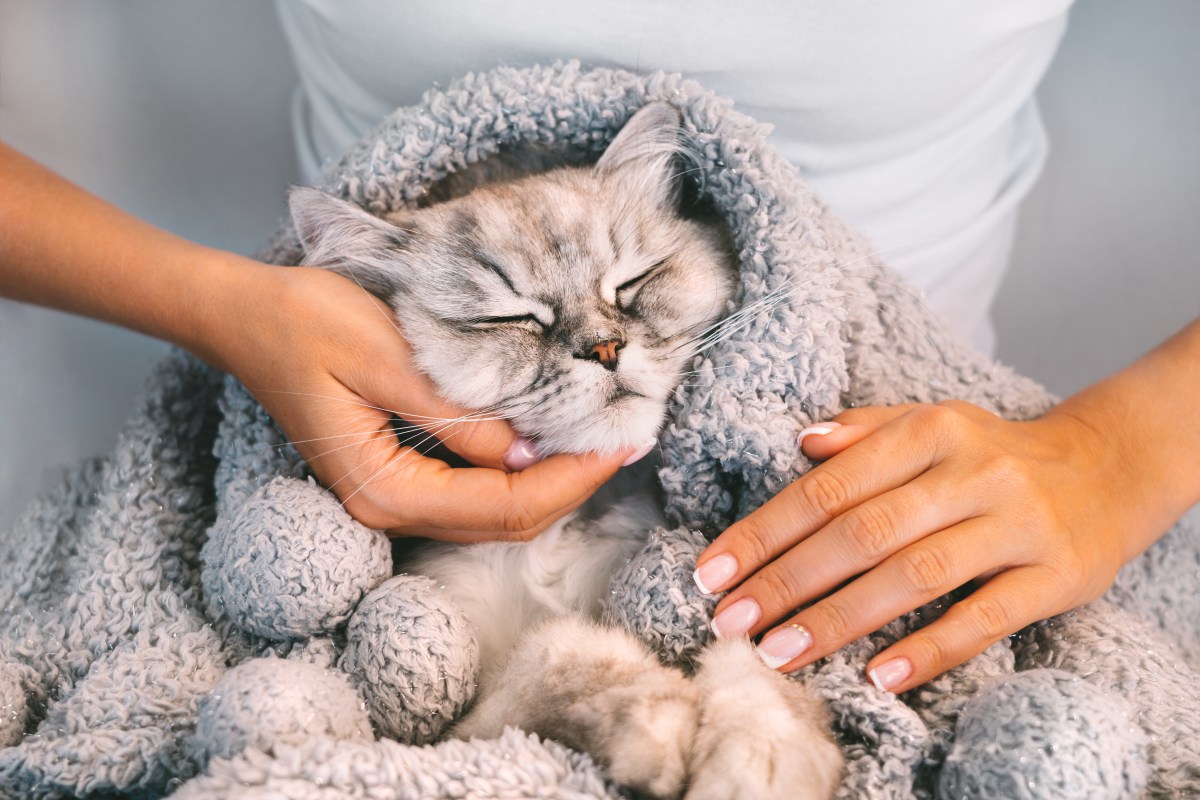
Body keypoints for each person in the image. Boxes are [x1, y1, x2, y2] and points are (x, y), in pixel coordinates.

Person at [3, 1, 1198, 699]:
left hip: (895, 463)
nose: (600, 345)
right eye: (540, 321)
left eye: (618, 306)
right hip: (381, 457)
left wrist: (1123, 448)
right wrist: (222, 301)